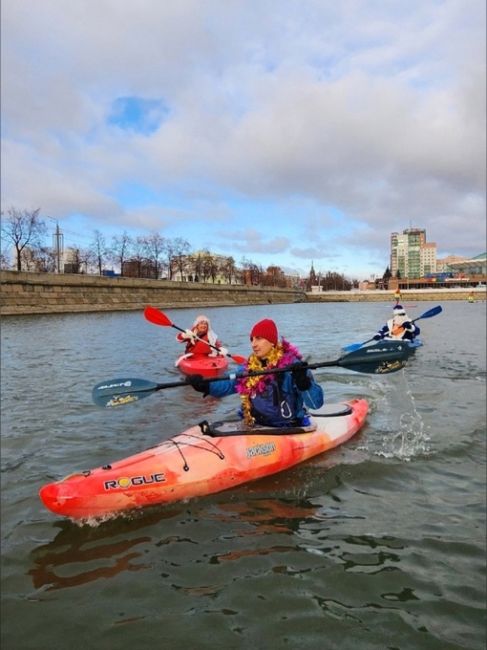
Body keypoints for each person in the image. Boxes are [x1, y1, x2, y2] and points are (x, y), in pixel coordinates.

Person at [188, 318, 324, 428]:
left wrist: (304, 384)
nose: (253, 344)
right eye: (252, 339)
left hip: (286, 427)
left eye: (258, 338)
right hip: (256, 425)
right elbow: (227, 385)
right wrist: (205, 385)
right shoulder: (248, 368)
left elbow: (315, 403)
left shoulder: (293, 367)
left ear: (272, 342)